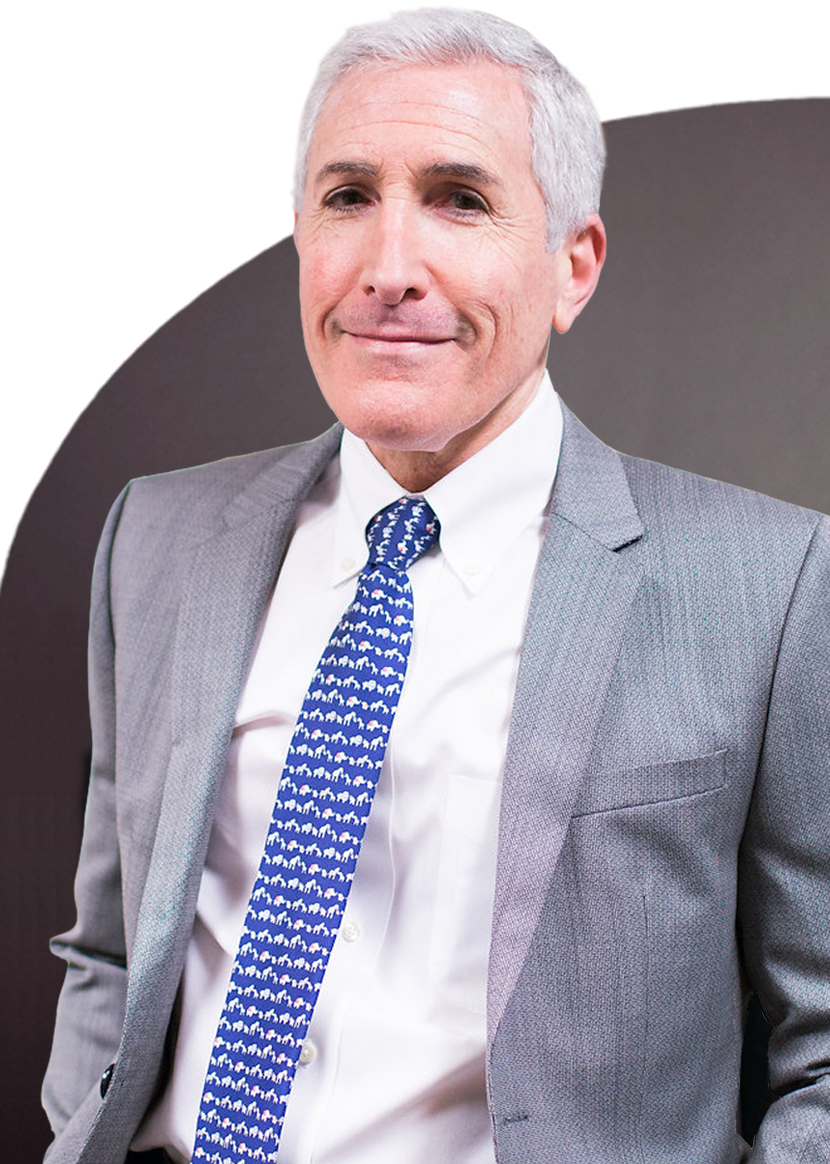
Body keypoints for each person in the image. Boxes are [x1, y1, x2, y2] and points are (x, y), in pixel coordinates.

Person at [42, 5, 830, 1164]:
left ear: (572, 264)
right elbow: (110, 946)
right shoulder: (160, 535)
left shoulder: (769, 585)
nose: (388, 270)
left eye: (460, 199)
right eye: (348, 196)